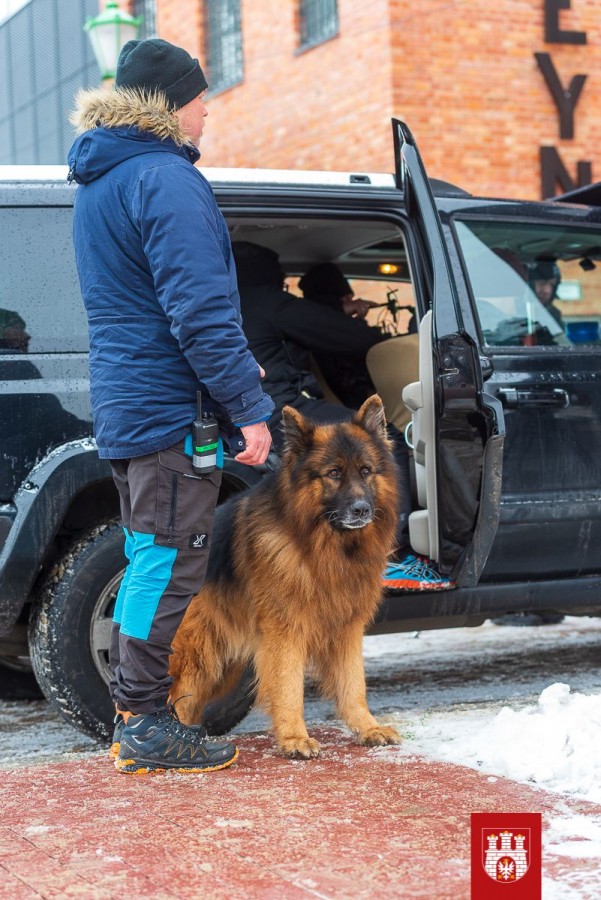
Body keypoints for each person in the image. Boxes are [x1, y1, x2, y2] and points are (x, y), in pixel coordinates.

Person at [67, 39, 274, 775]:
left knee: (148, 559)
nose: (207, 110)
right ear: (169, 103)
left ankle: (136, 717)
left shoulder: (103, 179)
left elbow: (150, 307)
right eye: (199, 97)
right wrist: (247, 405)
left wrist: (231, 376)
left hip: (133, 404)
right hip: (168, 412)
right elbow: (199, 310)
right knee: (169, 564)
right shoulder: (163, 177)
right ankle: (145, 724)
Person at [232, 241, 453, 592]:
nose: (285, 288)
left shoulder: (227, 302)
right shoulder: (266, 300)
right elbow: (345, 335)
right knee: (383, 443)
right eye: (282, 282)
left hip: (244, 411)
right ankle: (395, 551)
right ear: (267, 276)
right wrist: (366, 328)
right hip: (278, 409)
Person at [528, 261, 564, 329]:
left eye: (552, 285)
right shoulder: (515, 315)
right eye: (542, 283)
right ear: (530, 285)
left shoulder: (554, 316)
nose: (548, 290)